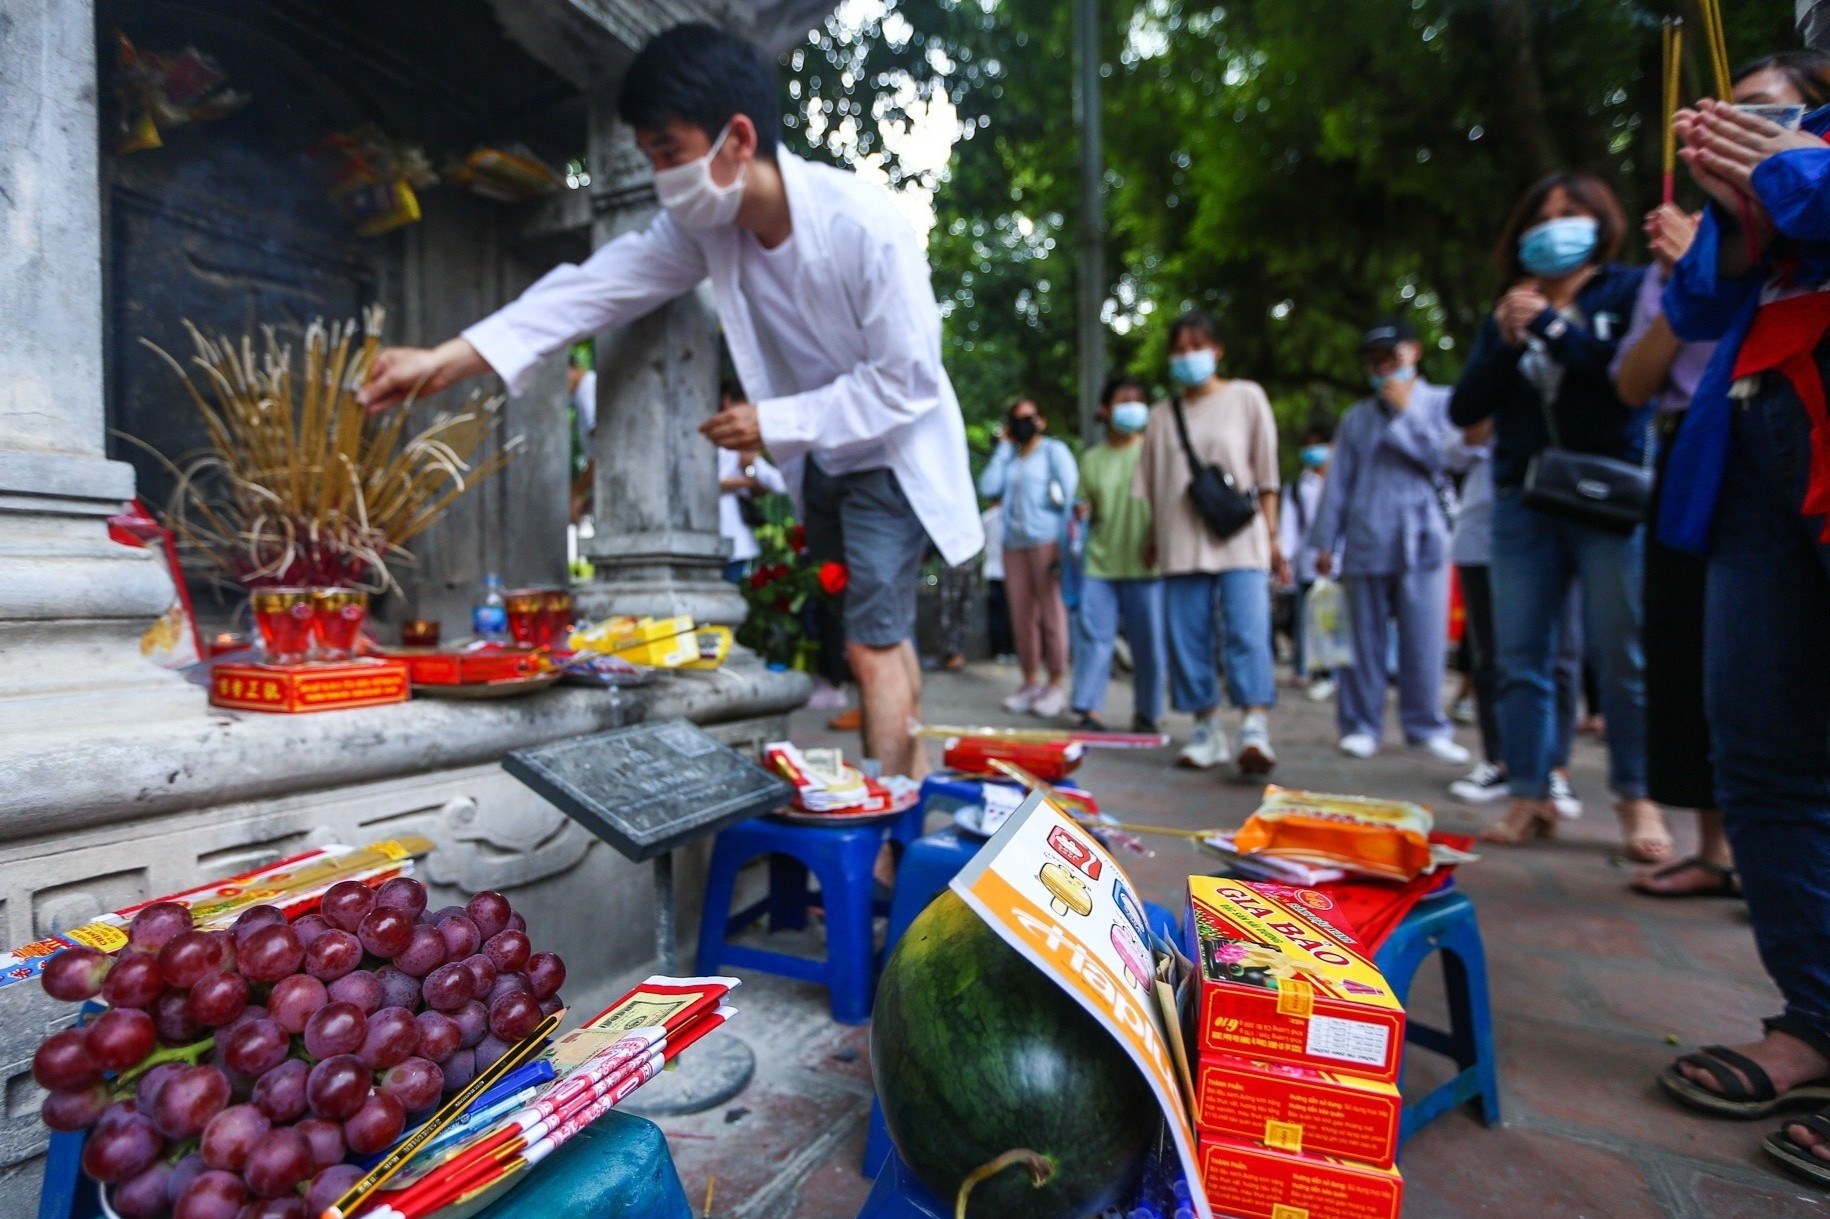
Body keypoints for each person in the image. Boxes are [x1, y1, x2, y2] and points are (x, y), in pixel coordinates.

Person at [356, 23, 980, 781]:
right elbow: (590, 291)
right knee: (879, 634)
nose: (660, 179)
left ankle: (879, 839)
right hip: (822, 459)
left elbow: (906, 380)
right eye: (650, 159)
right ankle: (907, 788)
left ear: (737, 138)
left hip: (890, 450)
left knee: (870, 644)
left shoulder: (865, 228)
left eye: (668, 154)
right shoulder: (708, 231)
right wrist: (447, 360)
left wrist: (771, 421)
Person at [1652, 51, 1830, 1185]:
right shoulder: (1766, 194)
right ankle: (1814, 1017)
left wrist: (1790, 168)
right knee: (1760, 751)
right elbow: (1699, 306)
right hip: (1758, 453)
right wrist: (1732, 203)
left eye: (1775, 115)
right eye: (1738, 115)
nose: (1748, 131)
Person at [1448, 171, 1667, 860]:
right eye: (1541, 215)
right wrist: (1511, 338)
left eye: (1571, 212)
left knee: (1621, 653)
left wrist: (1551, 327)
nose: (1554, 225)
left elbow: (1626, 383)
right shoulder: (1505, 311)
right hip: (1522, 498)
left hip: (1609, 494)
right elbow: (1465, 410)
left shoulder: (1630, 290)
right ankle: (1528, 794)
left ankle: (1637, 797)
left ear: (1602, 221)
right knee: (1517, 656)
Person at [1611, 202, 1733, 898]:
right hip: (1691, 442)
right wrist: (1692, 274)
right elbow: (1632, 382)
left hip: (1799, 430)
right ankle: (1718, 848)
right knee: (1690, 648)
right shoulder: (1682, 247)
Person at [1133, 311, 1287, 776]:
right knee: (1187, 638)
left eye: (1195, 347)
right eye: (1178, 350)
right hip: (1180, 543)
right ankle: (1205, 728)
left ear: (1217, 350)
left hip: (1241, 539)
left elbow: (1266, 474)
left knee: (1247, 629)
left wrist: (1275, 536)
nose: (1187, 358)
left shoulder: (1247, 397)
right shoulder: (1161, 417)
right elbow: (1154, 488)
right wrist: (1151, 540)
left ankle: (1254, 724)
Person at [1310, 318, 1469, 764]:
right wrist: (1326, 542)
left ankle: (1426, 726)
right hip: (1367, 537)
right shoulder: (1357, 417)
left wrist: (1407, 412)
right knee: (1362, 642)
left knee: (1426, 640)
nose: (1383, 369)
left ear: (1413, 353)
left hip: (1426, 539)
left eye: (1391, 359)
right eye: (1375, 362)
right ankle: (1361, 724)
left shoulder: (1441, 403)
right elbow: (1337, 483)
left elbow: (1447, 458)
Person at [1446, 424, 1585, 817]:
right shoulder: (1495, 380)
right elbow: (1453, 447)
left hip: (1557, 517)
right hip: (1483, 530)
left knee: (1560, 654)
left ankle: (1553, 769)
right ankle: (1503, 762)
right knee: (1493, 656)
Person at [1070, 375, 1166, 732]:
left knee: (1149, 644)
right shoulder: (1092, 459)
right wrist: (1083, 510)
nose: (1132, 407)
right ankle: (1089, 709)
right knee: (1095, 639)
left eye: (1138, 400)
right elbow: (1084, 504)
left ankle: (1147, 712)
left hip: (1147, 565)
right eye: (1123, 400)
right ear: (1105, 410)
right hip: (1100, 562)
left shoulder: (1156, 452)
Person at [978, 398, 1077, 716]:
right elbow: (988, 486)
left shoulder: (1053, 451)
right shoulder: (1011, 459)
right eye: (1016, 420)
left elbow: (1071, 496)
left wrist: (1066, 545)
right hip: (1014, 545)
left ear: (1040, 420)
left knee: (1052, 615)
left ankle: (1055, 684)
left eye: (1028, 418)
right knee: (1021, 617)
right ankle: (1030, 682)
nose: (1023, 424)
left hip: (1046, 542)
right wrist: (1004, 448)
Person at [1278, 420, 1335, 700]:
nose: (1313, 451)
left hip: (1342, 564)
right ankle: (1308, 668)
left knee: (1335, 620)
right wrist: (1284, 560)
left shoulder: (1342, 482)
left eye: (1319, 444)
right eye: (1308, 445)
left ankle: (1332, 672)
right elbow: (1289, 527)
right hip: (1308, 564)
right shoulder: (1298, 486)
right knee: (1307, 620)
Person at [715, 383, 786, 583]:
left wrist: (750, 465)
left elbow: (777, 483)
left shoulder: (743, 444)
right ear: (727, 401)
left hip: (737, 538)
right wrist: (743, 482)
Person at [981, 500, 1014, 662]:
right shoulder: (1012, 516)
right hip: (1010, 571)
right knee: (1011, 612)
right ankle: (1011, 649)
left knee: (996, 613)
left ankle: (999, 650)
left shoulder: (986, 518)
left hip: (993, 569)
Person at [934, 550, 974, 670]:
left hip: (953, 557)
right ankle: (955, 654)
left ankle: (952, 654)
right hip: (966, 556)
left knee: (949, 610)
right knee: (960, 608)